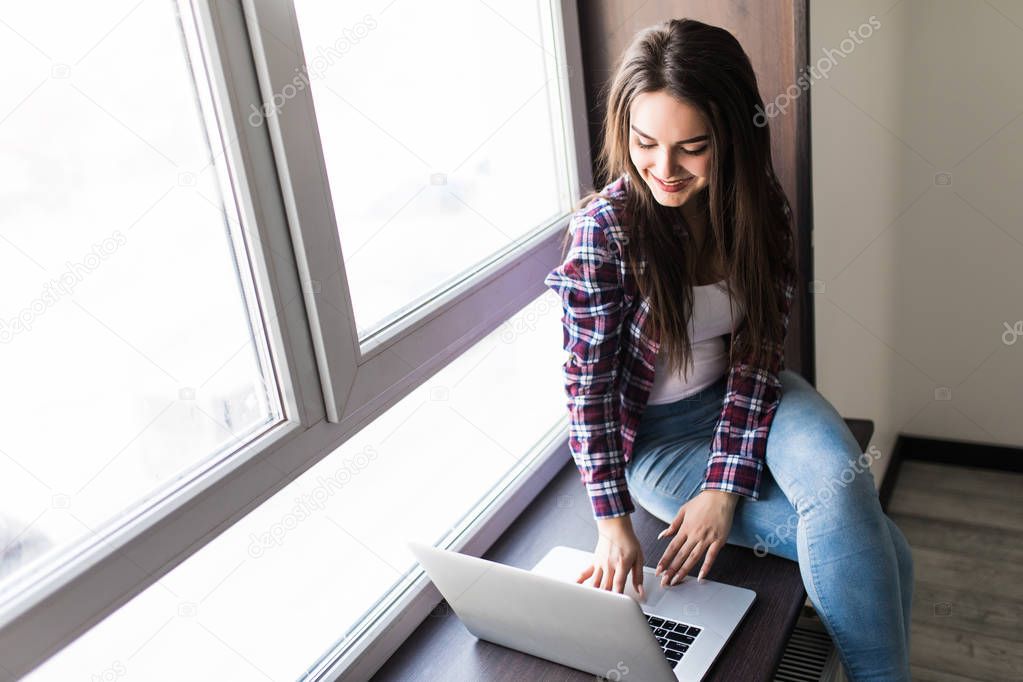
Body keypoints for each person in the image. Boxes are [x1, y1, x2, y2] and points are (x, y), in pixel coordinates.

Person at [543, 18, 914, 681]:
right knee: (887, 548)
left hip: (752, 398)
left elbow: (759, 348)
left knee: (842, 487)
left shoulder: (758, 206)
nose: (663, 169)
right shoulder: (604, 231)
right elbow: (587, 391)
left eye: (692, 147)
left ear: (734, 138)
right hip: (660, 443)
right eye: (644, 143)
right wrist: (612, 521)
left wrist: (725, 482)